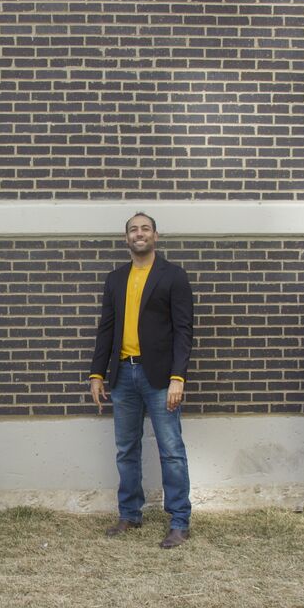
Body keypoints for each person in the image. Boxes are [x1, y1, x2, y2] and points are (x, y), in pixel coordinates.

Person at [89, 212, 195, 549]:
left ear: (156, 236)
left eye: (145, 229)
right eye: (133, 230)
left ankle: (179, 520)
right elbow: (106, 328)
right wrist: (97, 373)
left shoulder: (173, 276)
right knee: (126, 450)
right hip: (122, 377)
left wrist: (178, 377)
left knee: (171, 451)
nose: (139, 234)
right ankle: (130, 513)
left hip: (161, 377)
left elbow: (184, 331)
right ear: (126, 238)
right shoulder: (115, 279)